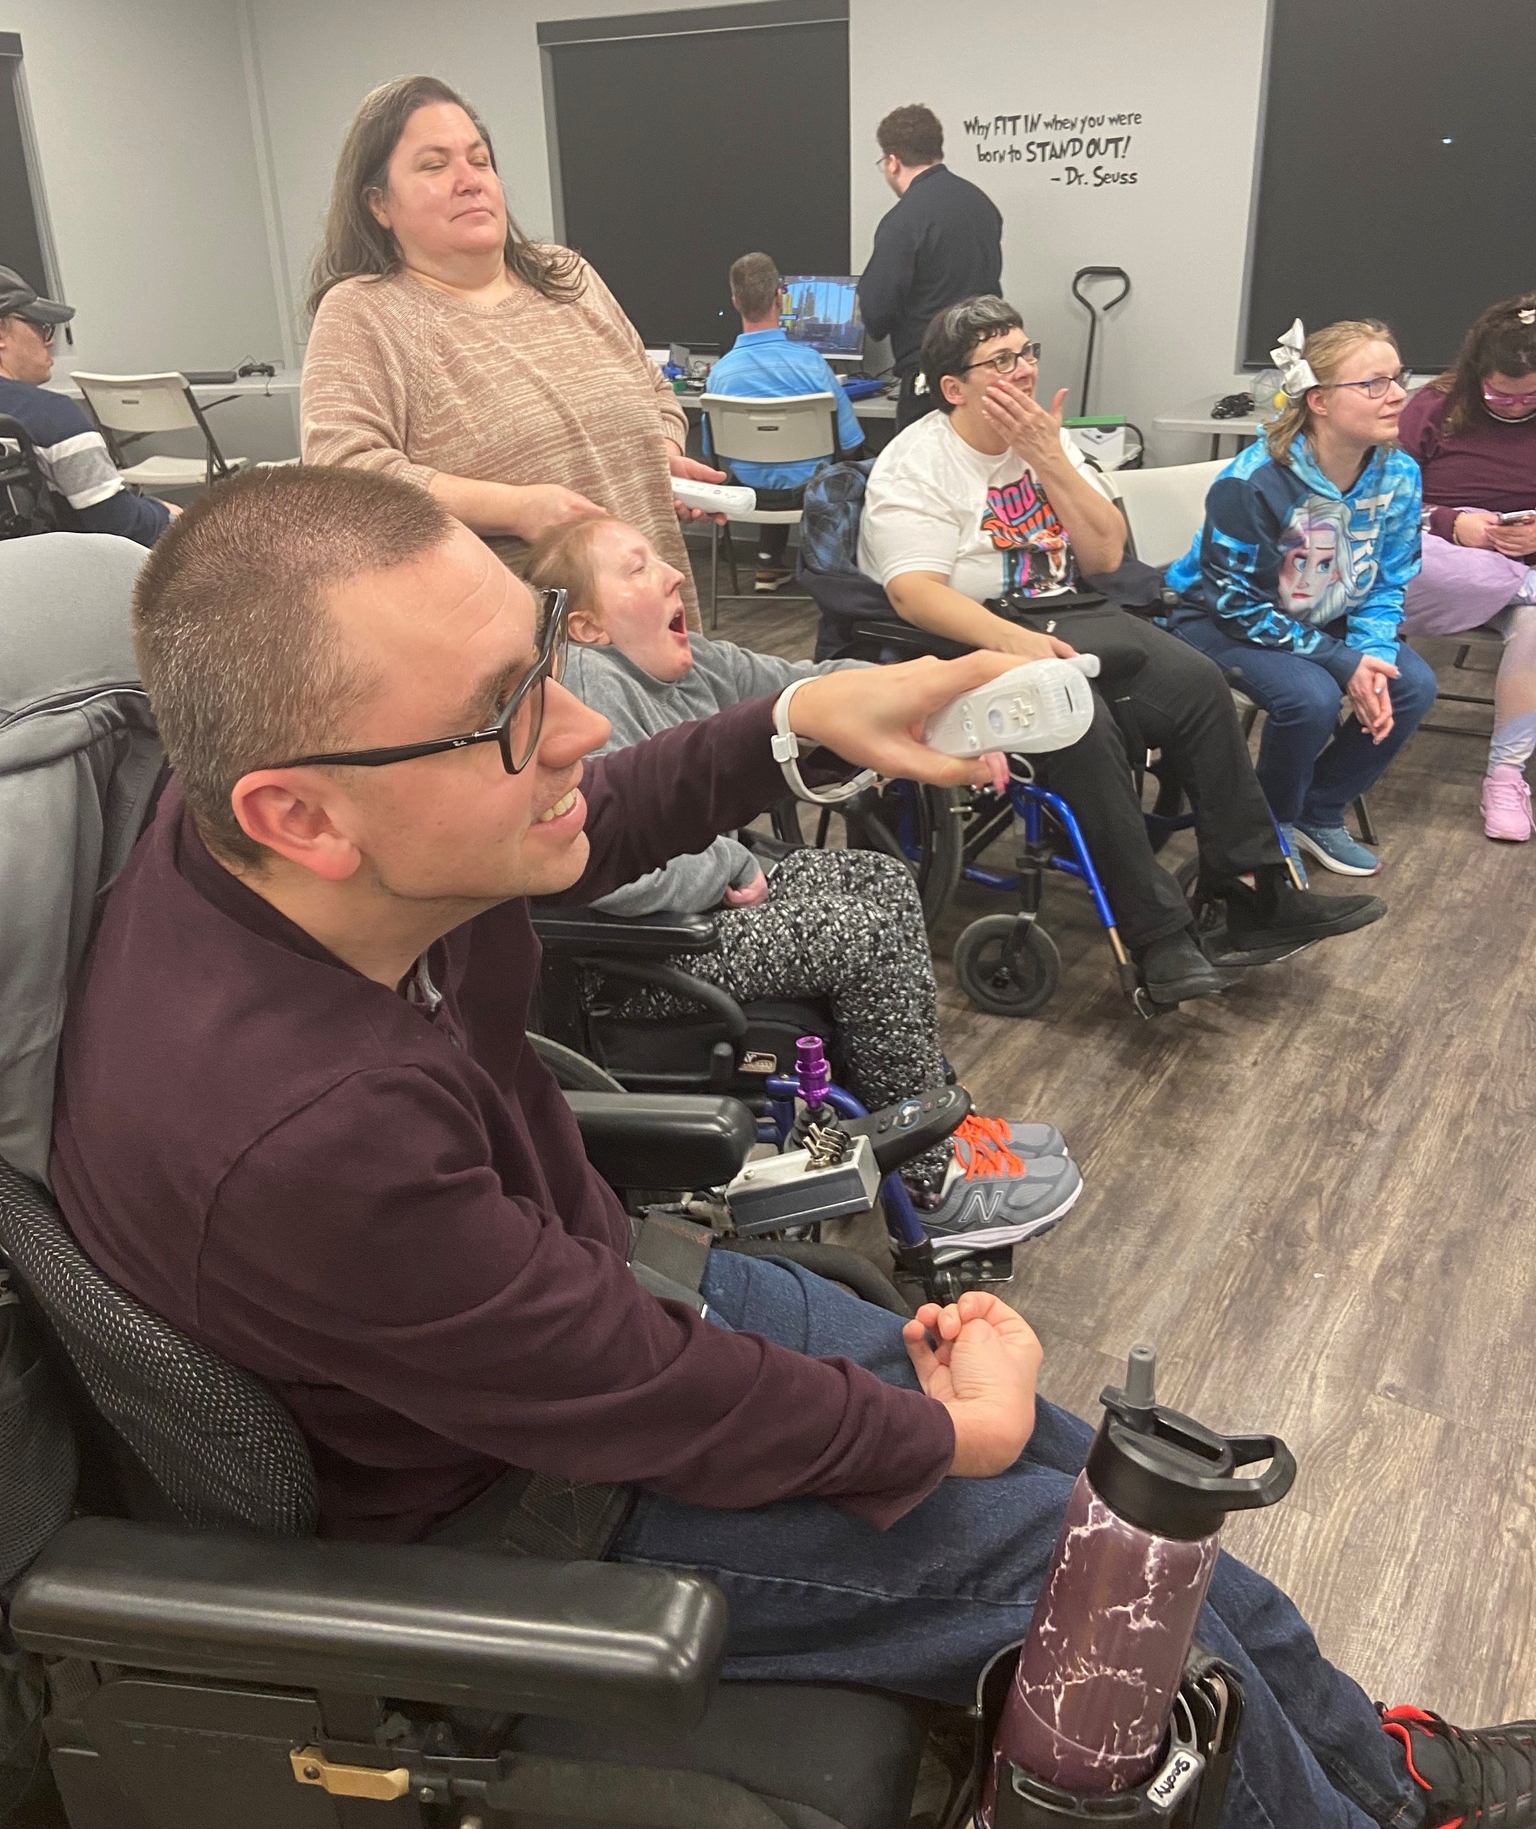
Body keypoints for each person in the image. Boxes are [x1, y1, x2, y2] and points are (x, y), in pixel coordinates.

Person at [47, 465, 1535, 1829]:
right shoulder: (295, 1133)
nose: (575, 722)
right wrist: (951, 1436)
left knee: (1133, 1498)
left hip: (592, 1307)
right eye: (511, 710)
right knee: (1098, 1590)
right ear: (300, 814)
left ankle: (1388, 1774)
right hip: (523, 1499)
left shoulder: (326, 830)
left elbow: (583, 813)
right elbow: (623, 1397)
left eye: (548, 651)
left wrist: (798, 725)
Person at [525, 512, 1081, 1254]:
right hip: (626, 958)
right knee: (861, 934)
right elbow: (600, 868)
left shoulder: (694, 664)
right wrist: (733, 864)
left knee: (877, 878)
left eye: (660, 560)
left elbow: (809, 686)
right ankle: (935, 1186)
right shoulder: (591, 686)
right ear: (588, 627)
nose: (671, 574)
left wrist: (934, 697)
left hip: (690, 916)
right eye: (635, 568)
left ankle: (918, 1113)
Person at [856, 297, 1385, 1004]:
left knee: (1197, 683)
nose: (1024, 369)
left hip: (1071, 610)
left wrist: (1050, 458)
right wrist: (1015, 642)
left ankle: (1255, 892)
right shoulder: (917, 462)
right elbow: (913, 593)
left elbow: (1105, 555)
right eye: (1001, 360)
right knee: (1079, 717)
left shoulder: (1049, 439)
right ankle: (1157, 933)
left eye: (1026, 351)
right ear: (954, 387)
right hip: (969, 636)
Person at [300, 73, 726, 621]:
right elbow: (345, 476)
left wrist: (658, 455)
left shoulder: (567, 276)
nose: (468, 180)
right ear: (379, 204)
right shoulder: (367, 312)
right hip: (531, 651)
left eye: (479, 161)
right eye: (434, 165)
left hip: (656, 624)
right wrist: (516, 509)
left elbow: (651, 387)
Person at [1167, 321, 1436, 877]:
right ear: (1319, 401)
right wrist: (1342, 661)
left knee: (1409, 685)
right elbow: (1235, 603)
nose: (1399, 394)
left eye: (1399, 376)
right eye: (1375, 383)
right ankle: (1266, 826)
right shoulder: (1256, 481)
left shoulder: (1399, 472)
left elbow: (1387, 579)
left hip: (1322, 610)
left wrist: (1370, 654)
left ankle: (1319, 811)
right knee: (1310, 698)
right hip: (1216, 616)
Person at [1397, 293, 1536, 841]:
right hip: (1441, 549)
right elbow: (1381, 498)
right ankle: (1521, 585)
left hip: (1522, 561)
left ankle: (1505, 774)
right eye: (1498, 393)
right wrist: (1452, 522)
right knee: (1407, 564)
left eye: (1528, 396)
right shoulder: (1432, 404)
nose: (1512, 405)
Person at [702, 251, 865, 593]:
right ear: (780, 296)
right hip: (810, 494)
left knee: (766, 459)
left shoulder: (719, 375)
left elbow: (711, 453)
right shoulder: (813, 365)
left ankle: (767, 563)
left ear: (735, 302)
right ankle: (838, 571)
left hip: (749, 493)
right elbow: (850, 444)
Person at [0, 267, 175, 546]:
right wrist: (166, 513)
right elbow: (121, 525)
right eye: (41, 328)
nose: (52, 341)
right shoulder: (50, 415)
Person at [857, 104, 1003, 431]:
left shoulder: (903, 220)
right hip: (987, 369)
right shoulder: (981, 204)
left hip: (932, 382)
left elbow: (876, 313)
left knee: (922, 476)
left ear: (892, 161)